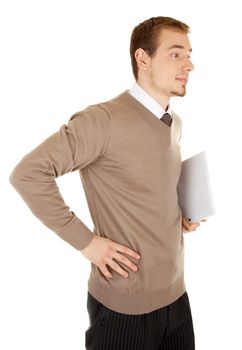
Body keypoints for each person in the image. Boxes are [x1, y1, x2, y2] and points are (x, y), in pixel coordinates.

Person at [9, 16, 206, 350]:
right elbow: (28, 174)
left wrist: (181, 211)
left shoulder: (174, 122)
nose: (189, 64)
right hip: (123, 307)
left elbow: (146, 182)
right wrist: (87, 242)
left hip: (176, 295)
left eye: (189, 54)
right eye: (176, 54)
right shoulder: (102, 120)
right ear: (142, 58)